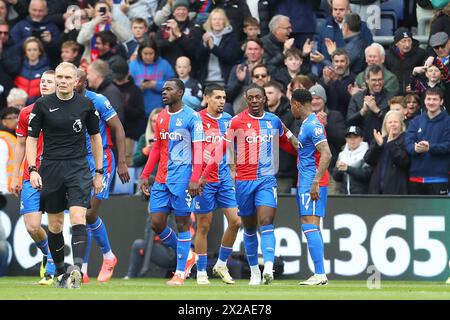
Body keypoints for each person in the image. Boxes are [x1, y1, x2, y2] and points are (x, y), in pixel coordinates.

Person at [200, 83, 297, 285]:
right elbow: (220, 149)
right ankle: (255, 272)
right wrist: (203, 176)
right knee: (250, 228)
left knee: (267, 221)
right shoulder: (236, 122)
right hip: (243, 182)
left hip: (267, 179)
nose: (254, 101)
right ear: (246, 99)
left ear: (264, 99)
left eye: (257, 97)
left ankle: (268, 267)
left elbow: (291, 141)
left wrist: (305, 154)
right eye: (250, 97)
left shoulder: (274, 121)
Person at [26, 62, 103, 289]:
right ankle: (61, 272)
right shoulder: (42, 105)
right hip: (51, 167)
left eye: (67, 78)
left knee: (79, 217)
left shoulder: (86, 104)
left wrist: (98, 171)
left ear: (76, 81)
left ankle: (77, 269)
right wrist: (32, 169)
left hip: (78, 167)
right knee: (56, 224)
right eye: (59, 77)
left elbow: (96, 138)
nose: (62, 81)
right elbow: (31, 139)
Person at [140, 78, 204, 286]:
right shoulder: (160, 117)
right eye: (163, 88)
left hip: (183, 179)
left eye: (169, 89)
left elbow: (199, 151)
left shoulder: (192, 118)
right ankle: (187, 256)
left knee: (183, 224)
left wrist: (195, 179)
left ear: (181, 92)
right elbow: (157, 148)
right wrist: (145, 174)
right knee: (157, 223)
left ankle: (179, 273)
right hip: (161, 179)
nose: (164, 92)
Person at [74, 69, 130, 284]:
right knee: (81, 213)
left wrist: (122, 161)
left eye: (74, 79)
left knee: (88, 213)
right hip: (78, 161)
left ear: (84, 82)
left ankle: (107, 257)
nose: (70, 83)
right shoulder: (66, 103)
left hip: (102, 159)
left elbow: (118, 128)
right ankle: (85, 269)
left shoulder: (98, 100)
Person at [10, 70, 57, 285]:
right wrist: (15, 176)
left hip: (58, 174)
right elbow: (21, 144)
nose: (45, 85)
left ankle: (54, 267)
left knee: (57, 224)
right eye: (43, 81)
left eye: (50, 82)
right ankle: (47, 253)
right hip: (32, 174)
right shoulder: (26, 112)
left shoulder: (67, 111)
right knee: (32, 226)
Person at [191, 84, 241, 285]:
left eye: (224, 97)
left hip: (223, 177)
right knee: (204, 225)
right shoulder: (196, 119)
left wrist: (234, 169)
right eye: (218, 97)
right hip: (204, 180)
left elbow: (232, 148)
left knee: (236, 221)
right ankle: (201, 271)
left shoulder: (229, 120)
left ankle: (221, 263)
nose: (222, 101)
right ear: (207, 98)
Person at [287, 88, 332, 286]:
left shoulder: (313, 124)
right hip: (306, 180)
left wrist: (315, 181)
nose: (291, 109)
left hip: (312, 182)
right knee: (311, 224)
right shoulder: (306, 124)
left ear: (297, 104)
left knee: (309, 224)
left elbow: (327, 154)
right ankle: (320, 273)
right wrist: (286, 133)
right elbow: (303, 149)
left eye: (291, 105)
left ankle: (320, 274)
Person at [405, 88, 450, 195]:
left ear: (441, 101)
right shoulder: (415, 121)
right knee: (416, 211)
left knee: (438, 211)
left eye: (435, 99)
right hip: (416, 177)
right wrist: (415, 148)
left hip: (439, 177)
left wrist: (431, 147)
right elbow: (408, 143)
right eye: (428, 99)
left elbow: (448, 145)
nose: (431, 102)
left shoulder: (448, 121)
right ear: (424, 101)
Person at [263, 80, 299, 193]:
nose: (266, 96)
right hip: (262, 172)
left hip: (284, 172)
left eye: (270, 93)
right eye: (265, 94)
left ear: (280, 94)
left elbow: (295, 141)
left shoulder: (291, 114)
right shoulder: (259, 114)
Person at [110, 56, 146, 166]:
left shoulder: (135, 90)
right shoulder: (110, 88)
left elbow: (140, 113)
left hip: (128, 136)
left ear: (127, 73)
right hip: (109, 135)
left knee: (125, 168)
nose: (118, 79)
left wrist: (121, 107)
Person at [347, 64, 395, 145]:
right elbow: (349, 121)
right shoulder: (357, 98)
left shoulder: (391, 97)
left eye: (380, 79)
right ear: (367, 80)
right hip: (361, 144)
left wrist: (377, 110)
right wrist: (362, 112)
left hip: (383, 142)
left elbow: (394, 122)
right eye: (374, 80)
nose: (377, 83)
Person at [364, 110, 410, 195]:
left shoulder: (406, 139)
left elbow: (404, 161)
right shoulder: (380, 139)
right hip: (377, 189)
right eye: (390, 122)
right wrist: (378, 145)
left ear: (401, 124)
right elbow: (368, 159)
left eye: (395, 122)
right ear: (385, 125)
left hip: (397, 189)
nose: (392, 124)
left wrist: (391, 144)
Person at [128, 39, 175, 117]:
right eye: (145, 54)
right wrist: (140, 86)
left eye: (151, 53)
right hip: (139, 111)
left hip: (159, 110)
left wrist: (156, 85)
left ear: (155, 53)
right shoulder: (133, 65)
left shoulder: (164, 64)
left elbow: (173, 86)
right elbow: (128, 88)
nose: (148, 57)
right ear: (140, 53)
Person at [196, 8, 241, 87]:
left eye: (220, 19)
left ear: (224, 22)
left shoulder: (231, 37)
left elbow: (229, 57)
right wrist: (204, 45)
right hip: (206, 81)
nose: (217, 22)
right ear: (210, 22)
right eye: (214, 19)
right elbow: (199, 58)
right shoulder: (206, 35)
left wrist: (213, 47)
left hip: (224, 81)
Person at [385, 27, 428, 94]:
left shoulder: (421, 54)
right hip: (394, 95)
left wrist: (417, 85)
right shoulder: (387, 56)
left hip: (414, 95)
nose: (407, 44)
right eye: (403, 41)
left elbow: (426, 74)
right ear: (396, 43)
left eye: (409, 40)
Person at [332, 126, 371, 195]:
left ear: (361, 139)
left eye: (355, 137)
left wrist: (348, 168)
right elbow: (336, 178)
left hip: (361, 195)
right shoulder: (342, 154)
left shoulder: (367, 153)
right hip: (344, 195)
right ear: (346, 139)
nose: (352, 140)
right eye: (349, 137)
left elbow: (366, 175)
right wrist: (338, 170)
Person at [87, 59, 125, 124]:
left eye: (88, 74)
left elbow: (117, 121)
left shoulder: (112, 93)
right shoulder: (96, 91)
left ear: (96, 75)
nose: (87, 77)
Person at [14, 36, 51, 104]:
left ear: (40, 51)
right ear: (25, 52)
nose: (32, 52)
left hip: (38, 105)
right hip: (21, 104)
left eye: (35, 49)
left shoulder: (46, 69)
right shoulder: (19, 67)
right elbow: (16, 85)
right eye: (29, 50)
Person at [0, 107, 18, 193]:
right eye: (11, 118)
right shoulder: (3, 139)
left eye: (17, 117)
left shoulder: (17, 137)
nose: (16, 120)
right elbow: (1, 166)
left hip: (18, 188)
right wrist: (3, 191)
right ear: (3, 121)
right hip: (8, 190)